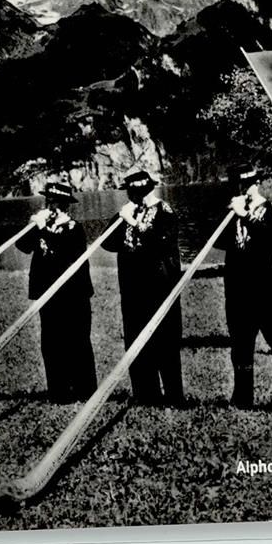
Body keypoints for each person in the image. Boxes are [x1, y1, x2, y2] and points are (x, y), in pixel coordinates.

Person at [213, 163, 272, 415]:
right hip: (239, 292)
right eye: (237, 185)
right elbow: (220, 242)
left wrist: (244, 215)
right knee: (241, 348)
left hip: (269, 293)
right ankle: (242, 400)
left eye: (246, 184)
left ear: (256, 184)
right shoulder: (236, 212)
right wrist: (228, 214)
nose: (241, 189)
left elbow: (269, 240)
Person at [102, 170, 183, 405]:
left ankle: (174, 397)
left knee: (165, 340)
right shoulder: (128, 212)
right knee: (135, 338)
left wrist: (133, 222)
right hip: (132, 287)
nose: (131, 196)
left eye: (134, 192)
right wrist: (120, 218)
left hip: (159, 286)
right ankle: (145, 395)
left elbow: (161, 242)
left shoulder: (164, 211)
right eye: (130, 192)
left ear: (145, 191)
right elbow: (108, 243)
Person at [16, 181, 97, 402]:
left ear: (66, 206)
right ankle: (59, 393)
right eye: (49, 202)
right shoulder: (42, 226)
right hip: (47, 293)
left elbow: (66, 254)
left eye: (58, 203)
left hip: (73, 294)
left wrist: (44, 229)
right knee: (51, 343)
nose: (53, 207)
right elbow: (23, 246)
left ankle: (85, 391)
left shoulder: (74, 228)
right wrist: (33, 226)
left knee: (77, 341)